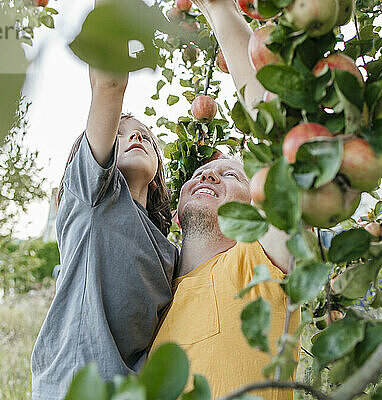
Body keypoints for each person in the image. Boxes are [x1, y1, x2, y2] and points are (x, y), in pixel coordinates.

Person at [150, 1, 301, 398]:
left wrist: (217, 9)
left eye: (231, 174)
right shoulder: (152, 306)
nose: (208, 172)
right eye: (198, 175)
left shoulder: (260, 265)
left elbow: (279, 134)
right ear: (178, 215)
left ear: (257, 208)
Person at [30, 65, 179, 398]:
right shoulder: (94, 195)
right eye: (122, 133)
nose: (136, 137)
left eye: (146, 137)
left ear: (156, 173)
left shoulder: (169, 253)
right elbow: (110, 82)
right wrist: (112, 18)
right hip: (72, 387)